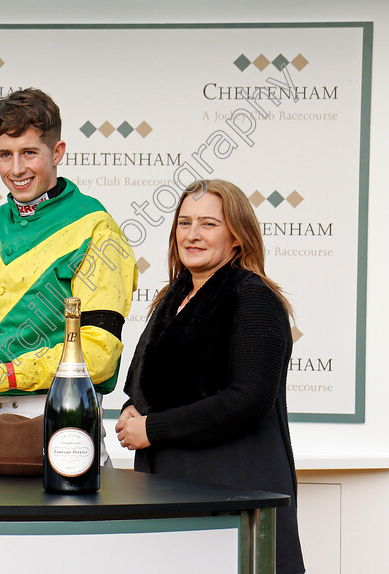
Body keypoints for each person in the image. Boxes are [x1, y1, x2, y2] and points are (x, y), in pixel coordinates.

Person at [0, 88, 137, 463]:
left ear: (58, 152)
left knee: (68, 525)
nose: (16, 169)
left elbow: (97, 354)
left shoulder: (97, 228)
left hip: (65, 420)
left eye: (29, 153)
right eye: (5, 155)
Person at [115, 179, 304, 573]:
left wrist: (154, 429)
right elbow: (158, 380)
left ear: (238, 236)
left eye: (208, 224)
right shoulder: (173, 297)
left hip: (233, 490)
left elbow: (248, 399)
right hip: (173, 488)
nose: (193, 235)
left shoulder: (254, 298)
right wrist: (135, 407)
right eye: (184, 223)